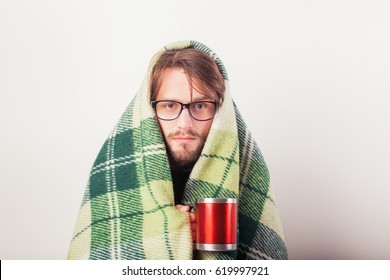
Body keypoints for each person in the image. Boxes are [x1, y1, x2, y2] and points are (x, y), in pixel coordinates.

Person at [68, 40, 288, 260]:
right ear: (150, 108)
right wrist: (169, 234)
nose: (185, 123)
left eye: (200, 105)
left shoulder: (248, 173)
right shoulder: (112, 173)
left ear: (221, 112)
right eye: (170, 105)